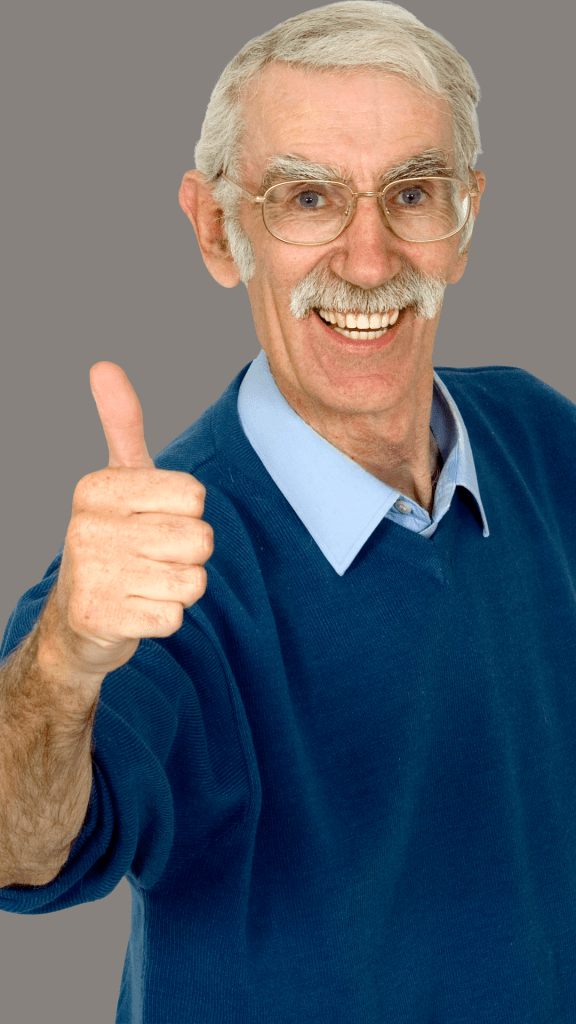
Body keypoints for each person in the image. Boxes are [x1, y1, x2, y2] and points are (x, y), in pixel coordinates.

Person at [1, 2, 575, 1021]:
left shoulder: (539, 436)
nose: (367, 258)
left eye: (413, 193)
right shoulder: (160, 570)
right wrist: (64, 663)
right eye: (308, 196)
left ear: (466, 219)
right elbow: (19, 846)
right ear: (220, 231)